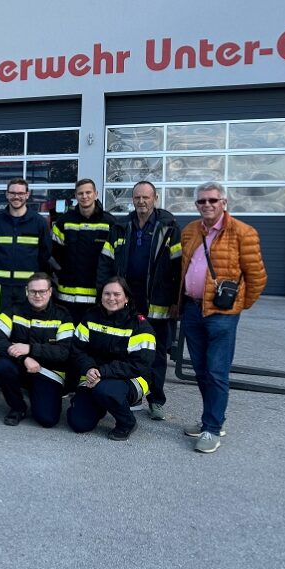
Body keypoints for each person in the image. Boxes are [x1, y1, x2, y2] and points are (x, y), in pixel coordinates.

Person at [179, 181, 267, 454]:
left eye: (212, 200)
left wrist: (238, 306)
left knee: (217, 372)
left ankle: (212, 429)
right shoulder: (190, 230)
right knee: (202, 371)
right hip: (192, 309)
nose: (207, 205)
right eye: (202, 201)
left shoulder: (243, 233)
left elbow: (257, 277)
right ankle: (212, 419)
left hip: (222, 315)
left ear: (223, 202)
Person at [97, 180, 181, 420]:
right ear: (132, 200)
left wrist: (176, 301)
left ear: (155, 199)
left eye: (146, 197)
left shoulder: (170, 228)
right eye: (137, 198)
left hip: (158, 302)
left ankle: (156, 400)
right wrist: (104, 293)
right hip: (126, 302)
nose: (141, 202)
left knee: (156, 353)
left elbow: (179, 268)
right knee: (122, 348)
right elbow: (106, 260)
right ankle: (128, 395)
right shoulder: (121, 226)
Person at [66, 277, 155, 441]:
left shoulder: (139, 325)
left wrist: (102, 372)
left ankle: (127, 422)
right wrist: (89, 368)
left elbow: (140, 364)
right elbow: (77, 350)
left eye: (117, 294)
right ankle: (98, 405)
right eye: (107, 294)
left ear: (126, 298)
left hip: (130, 378)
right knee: (79, 424)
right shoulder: (90, 317)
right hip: (94, 375)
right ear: (101, 296)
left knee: (105, 390)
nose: (111, 298)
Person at [0, 273, 74, 427]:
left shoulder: (63, 316)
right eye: (33, 291)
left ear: (50, 291)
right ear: (27, 291)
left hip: (49, 372)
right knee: (1, 366)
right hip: (21, 366)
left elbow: (64, 352)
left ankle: (37, 394)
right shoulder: (14, 310)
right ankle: (17, 407)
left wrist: (30, 348)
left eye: (42, 291)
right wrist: (24, 358)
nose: (37, 295)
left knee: (47, 420)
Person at [0, 178, 53, 321]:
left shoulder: (38, 222)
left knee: (26, 323)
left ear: (27, 194)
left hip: (28, 286)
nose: (16, 197)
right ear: (7, 195)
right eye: (12, 193)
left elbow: (45, 255)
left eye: (20, 193)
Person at [52, 179, 119, 324]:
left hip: (98, 296)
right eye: (80, 193)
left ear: (96, 194)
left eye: (88, 192)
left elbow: (115, 260)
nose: (85, 196)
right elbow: (54, 256)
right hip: (67, 295)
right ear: (75, 196)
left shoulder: (110, 223)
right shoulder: (63, 222)